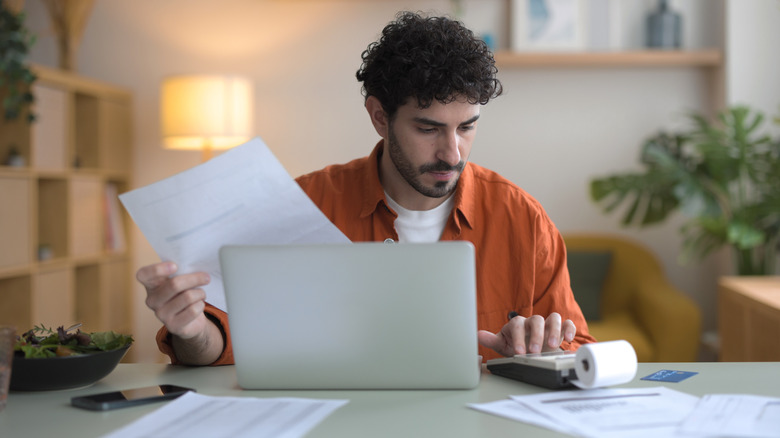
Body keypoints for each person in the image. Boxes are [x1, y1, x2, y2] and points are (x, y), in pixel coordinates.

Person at [138, 11, 596, 366]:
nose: (453, 153)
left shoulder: (522, 219)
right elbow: (225, 345)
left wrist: (544, 346)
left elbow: (578, 348)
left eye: (467, 128)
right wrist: (193, 330)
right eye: (429, 128)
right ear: (379, 117)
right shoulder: (304, 206)